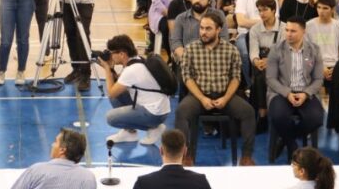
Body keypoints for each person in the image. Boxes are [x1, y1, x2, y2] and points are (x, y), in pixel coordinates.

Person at [176, 12, 256, 165]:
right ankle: (185, 156)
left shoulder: (231, 50)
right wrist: (202, 98)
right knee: (181, 112)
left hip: (224, 94)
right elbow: (187, 77)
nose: (203, 32)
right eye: (201, 28)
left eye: (208, 29)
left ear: (218, 29)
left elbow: (236, 77)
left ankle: (246, 156)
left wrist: (225, 98)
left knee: (248, 112)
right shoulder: (190, 49)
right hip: (198, 95)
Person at [266, 17, 325, 158]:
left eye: (293, 31)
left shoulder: (314, 50)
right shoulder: (276, 49)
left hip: (305, 92)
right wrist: (287, 93)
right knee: (278, 116)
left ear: (303, 31)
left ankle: (285, 139)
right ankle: (293, 147)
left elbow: (318, 79)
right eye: (286, 30)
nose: (288, 34)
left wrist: (306, 93)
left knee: (317, 118)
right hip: (281, 92)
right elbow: (270, 79)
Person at [98, 34, 170, 146]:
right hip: (160, 109)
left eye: (112, 53)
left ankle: (154, 128)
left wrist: (107, 69)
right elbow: (119, 84)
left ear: (122, 54)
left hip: (154, 114)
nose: (111, 56)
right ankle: (129, 133)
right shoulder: (138, 60)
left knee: (111, 118)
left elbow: (111, 93)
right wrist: (112, 69)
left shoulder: (131, 70)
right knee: (118, 96)